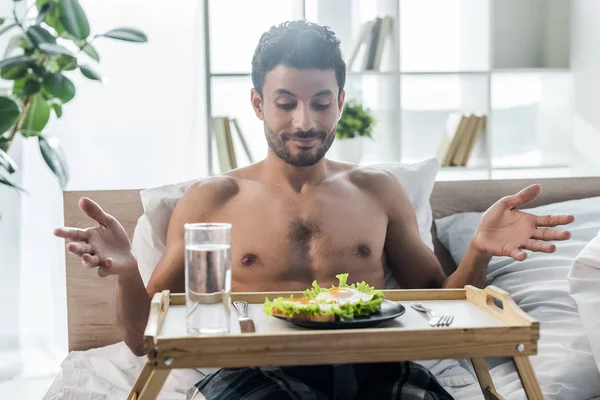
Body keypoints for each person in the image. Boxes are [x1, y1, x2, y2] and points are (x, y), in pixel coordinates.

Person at [54, 20, 575, 400]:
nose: (305, 121)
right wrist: (126, 274)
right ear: (258, 103)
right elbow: (144, 340)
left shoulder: (378, 190)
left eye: (321, 102)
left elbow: (440, 303)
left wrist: (480, 251)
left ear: (341, 101)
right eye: (286, 103)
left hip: (377, 368)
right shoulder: (214, 200)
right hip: (253, 374)